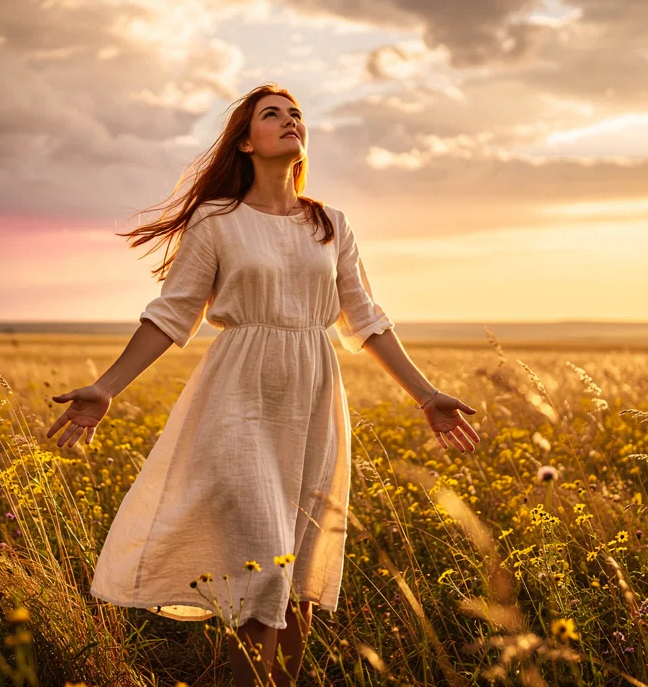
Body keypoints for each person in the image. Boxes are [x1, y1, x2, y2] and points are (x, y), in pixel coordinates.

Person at [45, 83, 479, 686]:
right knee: (262, 565)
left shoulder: (330, 223)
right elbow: (173, 313)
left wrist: (426, 395)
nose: (289, 120)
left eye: (296, 113)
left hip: (313, 397)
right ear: (246, 142)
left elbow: (366, 319)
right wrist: (108, 386)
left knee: (297, 570)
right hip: (238, 395)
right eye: (272, 114)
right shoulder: (217, 220)